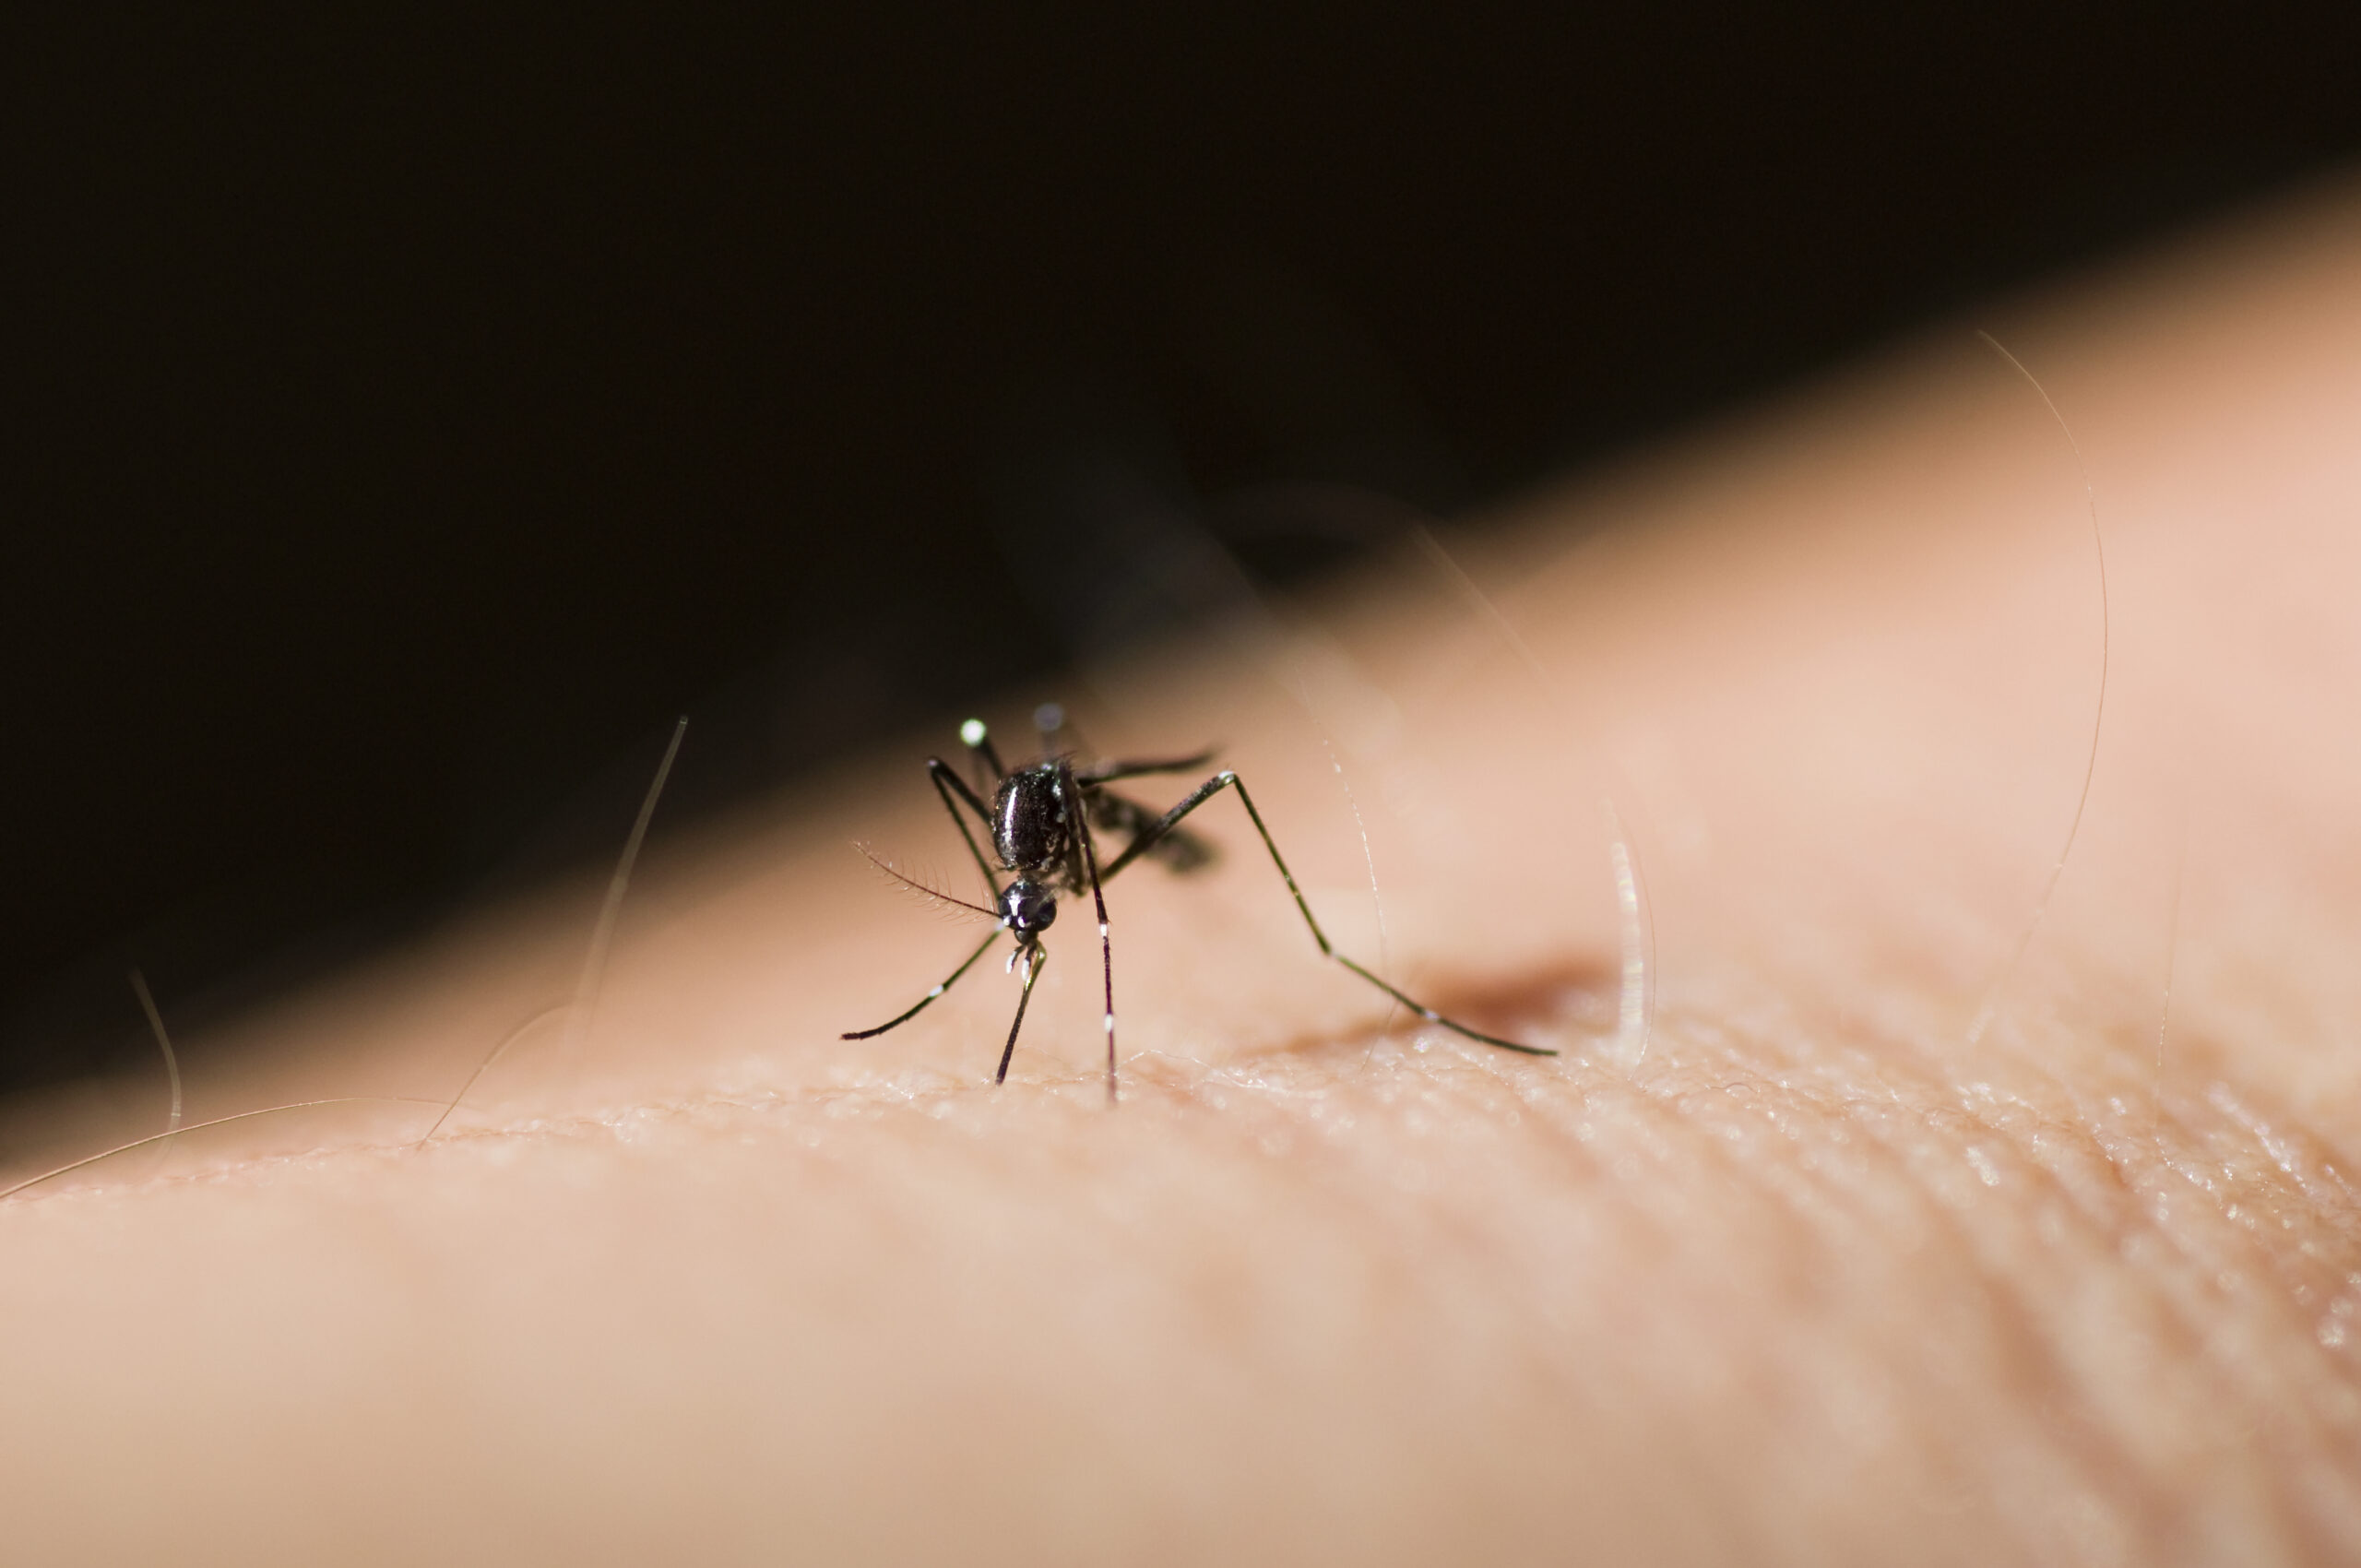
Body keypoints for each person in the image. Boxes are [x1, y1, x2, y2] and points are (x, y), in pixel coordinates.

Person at [6, 180, 2361, 1564]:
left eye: (1020, 917)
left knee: (1063, 770)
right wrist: (992, 930)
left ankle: (1262, 939)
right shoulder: (991, 827)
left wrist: (1070, 943)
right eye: (1015, 911)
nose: (1017, 907)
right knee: (976, 746)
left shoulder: (1079, 845)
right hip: (1044, 775)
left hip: (1131, 790)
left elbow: (1053, 800)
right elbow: (980, 776)